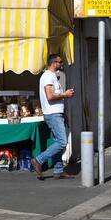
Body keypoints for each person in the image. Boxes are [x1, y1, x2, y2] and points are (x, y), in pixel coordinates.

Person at [31, 52, 74, 180]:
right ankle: (39, 160)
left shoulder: (53, 76)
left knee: (57, 141)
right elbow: (50, 96)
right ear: (54, 63)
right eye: (60, 62)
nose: (61, 64)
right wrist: (65, 95)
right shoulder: (48, 76)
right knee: (62, 142)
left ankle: (58, 170)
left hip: (56, 113)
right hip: (53, 114)